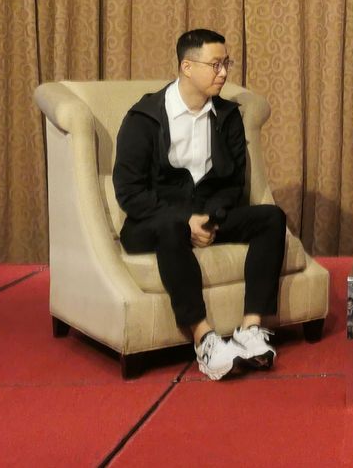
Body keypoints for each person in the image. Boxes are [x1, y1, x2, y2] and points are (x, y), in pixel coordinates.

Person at [113, 28, 287, 380]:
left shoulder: (227, 117)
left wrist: (209, 218)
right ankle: (204, 339)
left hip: (208, 217)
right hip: (154, 222)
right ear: (187, 67)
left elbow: (233, 184)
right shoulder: (144, 118)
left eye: (226, 64)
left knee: (271, 218)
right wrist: (185, 219)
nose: (223, 73)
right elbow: (129, 192)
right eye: (215, 65)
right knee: (171, 226)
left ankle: (250, 329)